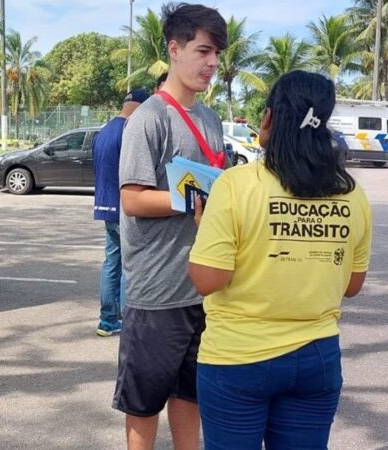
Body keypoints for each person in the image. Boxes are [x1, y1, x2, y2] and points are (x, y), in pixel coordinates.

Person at [188, 70, 372, 450]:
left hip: (237, 359)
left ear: (268, 119)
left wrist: (205, 230)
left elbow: (208, 280)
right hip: (316, 357)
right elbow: (352, 286)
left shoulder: (236, 185)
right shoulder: (351, 194)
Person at [112, 3, 228, 450]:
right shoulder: (150, 118)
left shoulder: (212, 119)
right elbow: (133, 198)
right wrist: (199, 198)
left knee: (191, 395)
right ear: (174, 50)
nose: (212, 63)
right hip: (157, 292)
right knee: (143, 405)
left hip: (204, 286)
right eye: (203, 51)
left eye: (217, 53)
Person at [92, 89, 148, 337]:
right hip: (125, 208)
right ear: (139, 107)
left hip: (105, 206)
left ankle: (107, 320)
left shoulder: (104, 130)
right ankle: (127, 319)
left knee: (111, 263)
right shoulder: (129, 131)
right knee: (128, 265)